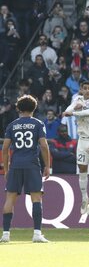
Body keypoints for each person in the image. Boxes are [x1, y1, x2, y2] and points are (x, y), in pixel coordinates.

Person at [1, 95, 50, 243]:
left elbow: (5, 149)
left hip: (16, 164)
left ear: (18, 108)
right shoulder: (38, 124)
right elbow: (43, 145)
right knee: (36, 198)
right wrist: (48, 165)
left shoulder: (12, 125)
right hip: (32, 164)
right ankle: (36, 234)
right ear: (34, 108)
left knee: (10, 198)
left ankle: (5, 235)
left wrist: (6, 168)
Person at [62, 80, 89, 215]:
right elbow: (66, 111)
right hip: (82, 141)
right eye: (85, 88)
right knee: (82, 170)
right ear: (81, 90)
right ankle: (84, 198)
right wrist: (74, 107)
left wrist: (75, 112)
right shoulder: (77, 99)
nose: (88, 90)